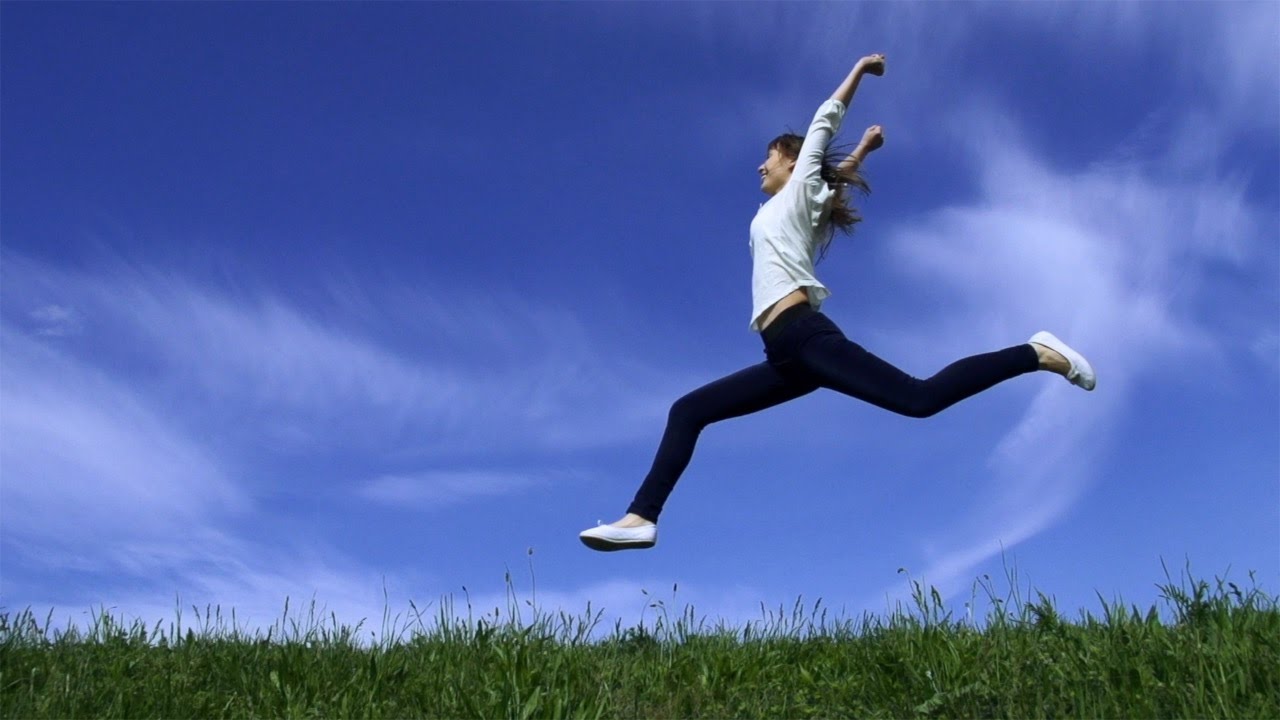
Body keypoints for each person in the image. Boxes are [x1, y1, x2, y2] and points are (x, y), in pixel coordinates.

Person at [580, 54, 1095, 552]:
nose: (760, 165)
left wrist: (859, 71)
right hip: (783, 355)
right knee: (689, 410)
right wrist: (864, 150)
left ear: (792, 160)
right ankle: (642, 518)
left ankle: (1035, 352)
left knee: (920, 399)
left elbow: (824, 122)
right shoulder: (796, 205)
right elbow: (832, 185)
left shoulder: (798, 188)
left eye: (769, 157)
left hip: (806, 337)